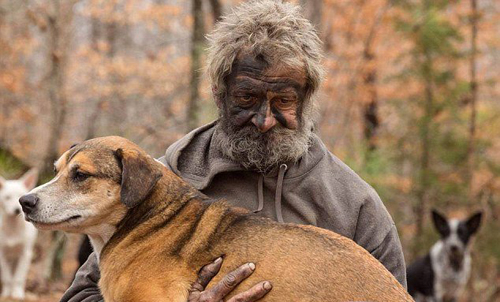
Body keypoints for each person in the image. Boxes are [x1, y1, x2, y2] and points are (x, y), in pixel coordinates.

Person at [61, 1, 406, 301]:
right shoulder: (157, 185)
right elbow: (81, 295)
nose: (265, 119)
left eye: (283, 100)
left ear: (306, 101)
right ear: (218, 93)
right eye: (247, 98)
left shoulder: (355, 206)